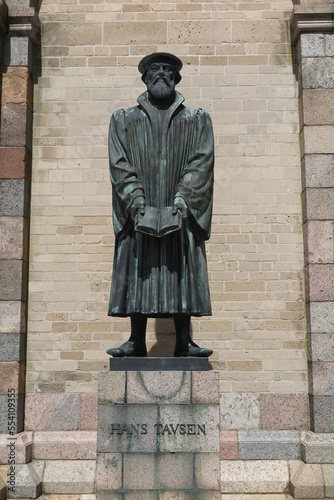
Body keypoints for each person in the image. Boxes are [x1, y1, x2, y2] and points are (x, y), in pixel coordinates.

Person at [107, 52, 214, 357]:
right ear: (144, 78)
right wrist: (136, 202)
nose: (162, 75)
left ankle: (184, 340)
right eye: (155, 70)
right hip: (138, 212)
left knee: (180, 269)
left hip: (179, 211)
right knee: (138, 269)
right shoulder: (123, 120)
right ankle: (136, 340)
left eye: (168, 71)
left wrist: (182, 200)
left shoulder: (197, 119)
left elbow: (201, 161)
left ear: (177, 78)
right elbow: (120, 164)